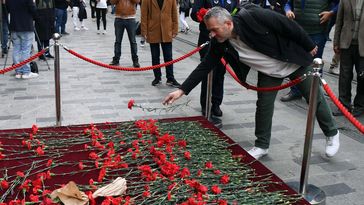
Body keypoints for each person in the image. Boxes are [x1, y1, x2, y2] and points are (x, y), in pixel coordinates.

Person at [163, 5, 340, 160]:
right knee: (263, 106)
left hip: (292, 59)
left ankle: (332, 133)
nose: (212, 34)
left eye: (214, 29)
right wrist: (181, 90)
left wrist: (309, 45)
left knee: (314, 97)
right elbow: (205, 65)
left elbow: (287, 25)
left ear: (228, 24)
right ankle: (262, 145)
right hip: (268, 71)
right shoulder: (220, 41)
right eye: (210, 30)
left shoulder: (253, 16)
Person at [280, 0, 338, 102]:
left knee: (315, 64)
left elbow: (339, 4)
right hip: (298, 31)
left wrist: (331, 13)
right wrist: (288, 10)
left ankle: (315, 94)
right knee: (296, 62)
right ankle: (295, 91)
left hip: (317, 31)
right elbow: (288, 3)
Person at [191, 0, 239, 117]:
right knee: (207, 73)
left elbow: (236, 11)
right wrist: (205, 17)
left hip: (224, 41)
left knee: (220, 73)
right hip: (207, 39)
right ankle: (205, 103)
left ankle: (216, 103)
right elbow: (194, 14)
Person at [333, 0, 364, 117]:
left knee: (362, 77)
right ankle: (343, 105)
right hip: (346, 44)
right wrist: (336, 42)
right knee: (345, 76)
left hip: (363, 47)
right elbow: (339, 21)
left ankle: (360, 106)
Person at [141, 0, 181, 87]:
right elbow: (144, 15)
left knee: (168, 57)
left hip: (167, 30)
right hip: (153, 30)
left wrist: (175, 29)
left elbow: (174, 13)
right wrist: (144, 31)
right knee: (155, 56)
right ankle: (157, 77)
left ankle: (170, 78)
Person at [6, 0, 39, 79]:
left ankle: (18, 71)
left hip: (14, 26)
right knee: (25, 50)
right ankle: (26, 72)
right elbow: (33, 10)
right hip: (26, 26)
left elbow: (7, 9)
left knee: (16, 49)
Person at [109, 0, 140, 68]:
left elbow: (137, 1)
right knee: (118, 41)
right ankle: (116, 59)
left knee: (133, 41)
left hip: (131, 18)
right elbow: (112, 2)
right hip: (119, 18)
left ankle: (135, 60)